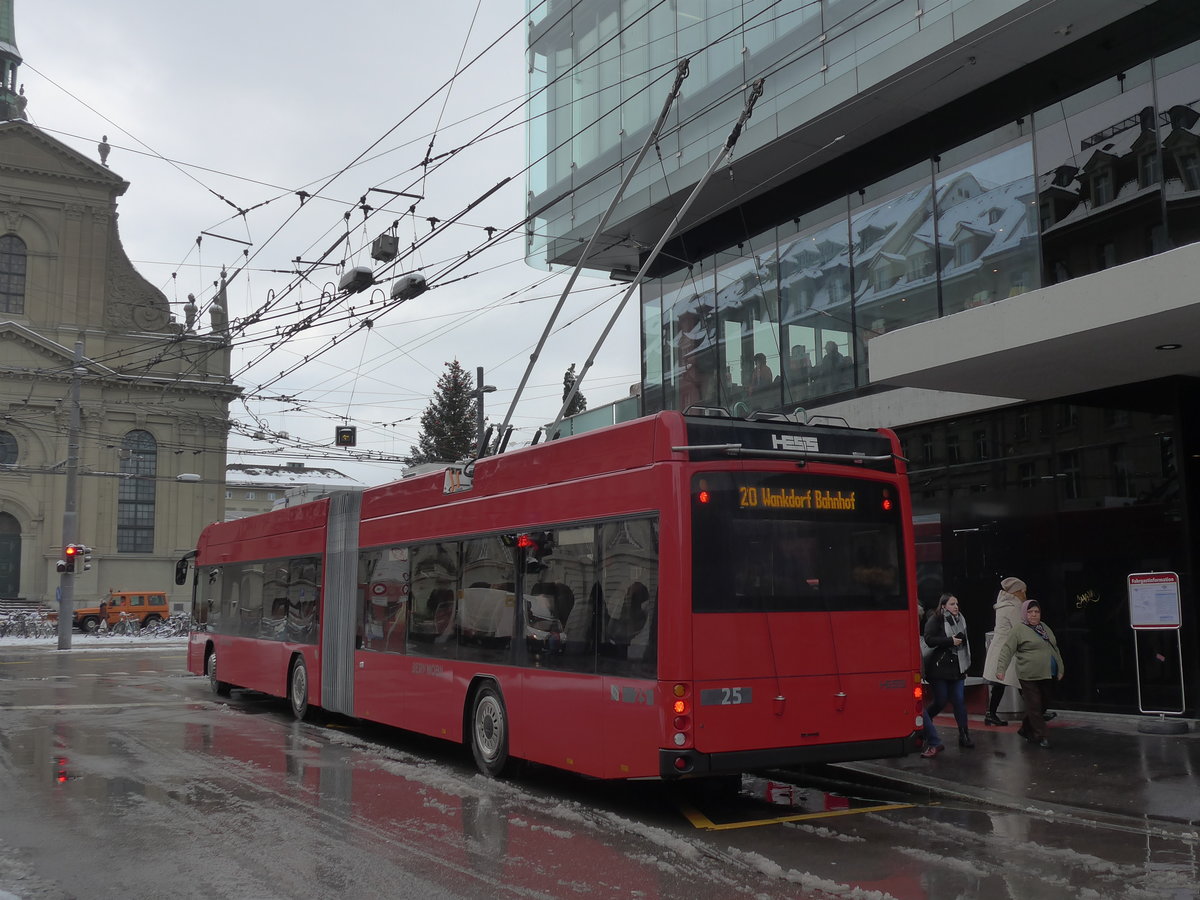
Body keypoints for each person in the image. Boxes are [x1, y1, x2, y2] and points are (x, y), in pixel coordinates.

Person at [993, 599, 1065, 748]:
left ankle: (1026, 728)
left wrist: (1060, 668)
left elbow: (1054, 648)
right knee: (1034, 705)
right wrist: (1001, 670)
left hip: (1047, 673)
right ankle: (1041, 735)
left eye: (1036, 612)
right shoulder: (1018, 629)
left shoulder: (1044, 627)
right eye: (1030, 612)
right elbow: (1007, 650)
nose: (1033, 615)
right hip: (1028, 675)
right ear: (1024, 613)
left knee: (1043, 703)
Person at [923, 593, 974, 748]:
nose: (956, 607)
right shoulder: (936, 619)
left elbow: (965, 644)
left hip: (957, 667)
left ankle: (964, 736)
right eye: (952, 604)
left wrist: (965, 665)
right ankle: (926, 721)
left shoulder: (961, 620)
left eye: (957, 604)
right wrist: (949, 641)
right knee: (941, 700)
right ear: (943, 605)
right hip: (939, 668)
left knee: (959, 700)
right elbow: (929, 639)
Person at [981, 576, 1025, 725]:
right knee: (1022, 682)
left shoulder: (1003, 605)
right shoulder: (1013, 607)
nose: (1025, 593)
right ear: (1017, 591)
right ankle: (1036, 712)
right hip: (1007, 651)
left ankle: (990, 714)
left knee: (1001, 684)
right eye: (1023, 590)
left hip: (1000, 649)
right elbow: (1019, 629)